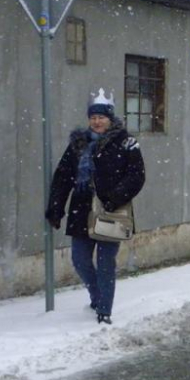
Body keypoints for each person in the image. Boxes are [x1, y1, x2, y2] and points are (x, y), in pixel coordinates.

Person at [45, 89, 145, 325]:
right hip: (82, 210)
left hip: (111, 211)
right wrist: (56, 208)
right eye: (93, 117)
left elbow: (136, 176)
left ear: (110, 119)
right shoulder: (78, 145)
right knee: (79, 260)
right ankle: (97, 296)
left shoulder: (126, 143)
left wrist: (115, 197)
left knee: (105, 262)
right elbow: (63, 177)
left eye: (101, 117)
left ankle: (104, 310)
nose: (97, 121)